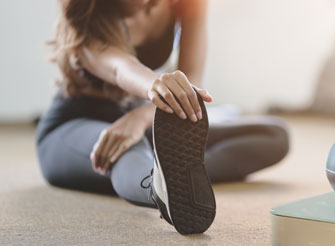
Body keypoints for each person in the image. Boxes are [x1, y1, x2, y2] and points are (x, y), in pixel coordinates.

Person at [35, 0, 289, 234]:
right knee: (127, 147)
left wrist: (140, 118)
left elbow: (193, 78)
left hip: (138, 118)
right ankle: (159, 187)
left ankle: (178, 172)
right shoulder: (85, 14)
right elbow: (120, 69)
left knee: (274, 134)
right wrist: (155, 86)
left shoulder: (189, 4)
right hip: (72, 126)